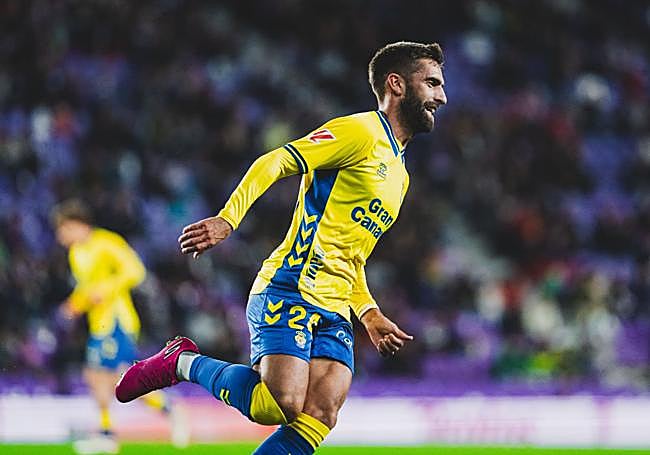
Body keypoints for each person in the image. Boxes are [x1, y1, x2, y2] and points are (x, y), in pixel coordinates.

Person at [116, 41, 447, 454]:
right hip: (292, 285)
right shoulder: (361, 132)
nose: (441, 96)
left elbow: (352, 253)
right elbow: (275, 161)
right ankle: (180, 362)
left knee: (322, 411)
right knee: (279, 404)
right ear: (396, 84)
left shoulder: (400, 175)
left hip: (336, 305)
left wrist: (368, 312)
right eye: (431, 83)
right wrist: (228, 218)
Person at [52, 199, 188, 453]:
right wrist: (74, 304)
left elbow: (136, 271)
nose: (61, 237)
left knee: (98, 375)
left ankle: (107, 435)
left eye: (64, 229)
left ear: (78, 224)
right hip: (99, 323)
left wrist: (106, 290)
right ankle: (169, 410)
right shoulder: (76, 253)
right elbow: (87, 289)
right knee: (116, 380)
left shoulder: (107, 243)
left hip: (116, 320)